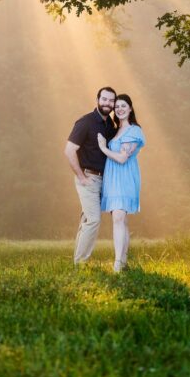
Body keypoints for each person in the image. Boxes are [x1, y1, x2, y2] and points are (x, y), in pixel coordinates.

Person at [64, 87, 116, 265]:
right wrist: (81, 176)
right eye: (104, 99)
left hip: (103, 180)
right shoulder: (85, 122)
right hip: (88, 178)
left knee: (87, 219)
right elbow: (69, 150)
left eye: (111, 101)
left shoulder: (110, 125)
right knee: (93, 220)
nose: (107, 103)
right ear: (97, 99)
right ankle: (81, 263)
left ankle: (78, 263)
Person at [97, 93, 146, 272]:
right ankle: (123, 262)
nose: (119, 109)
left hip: (125, 178)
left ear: (131, 108)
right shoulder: (116, 130)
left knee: (118, 217)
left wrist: (103, 147)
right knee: (121, 220)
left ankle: (117, 263)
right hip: (112, 179)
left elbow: (123, 158)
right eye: (117, 106)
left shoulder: (134, 130)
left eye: (123, 106)